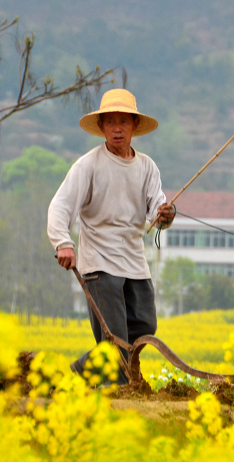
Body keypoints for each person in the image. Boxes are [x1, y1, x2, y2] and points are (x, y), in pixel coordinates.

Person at [48, 88, 175, 384]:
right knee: (115, 341)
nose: (117, 128)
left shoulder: (146, 166)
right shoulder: (88, 165)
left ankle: (80, 371)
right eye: (110, 122)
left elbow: (156, 209)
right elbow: (60, 206)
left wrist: (165, 215)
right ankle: (117, 392)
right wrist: (63, 243)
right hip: (99, 265)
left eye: (124, 122)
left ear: (134, 127)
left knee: (145, 326)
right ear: (102, 127)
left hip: (134, 261)